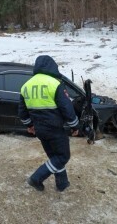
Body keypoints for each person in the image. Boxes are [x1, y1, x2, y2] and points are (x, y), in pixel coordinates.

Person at [18, 55, 79, 192]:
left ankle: (62, 183)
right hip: (55, 129)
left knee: (54, 156)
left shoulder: (26, 86)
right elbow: (67, 108)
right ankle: (36, 178)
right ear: (52, 67)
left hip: (40, 129)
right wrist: (75, 126)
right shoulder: (55, 83)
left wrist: (29, 126)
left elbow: (22, 112)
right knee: (63, 156)